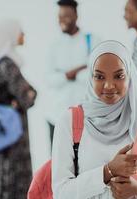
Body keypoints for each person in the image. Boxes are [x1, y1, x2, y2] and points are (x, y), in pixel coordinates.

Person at [52, 40, 137, 199]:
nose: (109, 85)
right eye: (99, 76)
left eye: (119, 76)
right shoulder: (70, 121)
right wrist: (108, 171)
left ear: (129, 75)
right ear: (90, 77)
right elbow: (61, 193)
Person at [0, 19, 37, 199]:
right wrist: (28, 94)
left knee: (0, 178)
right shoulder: (8, 64)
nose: (23, 35)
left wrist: (21, 98)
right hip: (13, 137)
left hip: (2, 133)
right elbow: (28, 97)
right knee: (13, 178)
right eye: (20, 31)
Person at [45, 0, 100, 146]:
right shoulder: (53, 45)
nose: (62, 20)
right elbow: (49, 80)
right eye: (60, 16)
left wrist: (68, 75)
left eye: (66, 16)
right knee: (57, 164)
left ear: (76, 15)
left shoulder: (92, 41)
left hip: (85, 118)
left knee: (84, 163)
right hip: (56, 116)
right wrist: (72, 73)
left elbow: (95, 76)